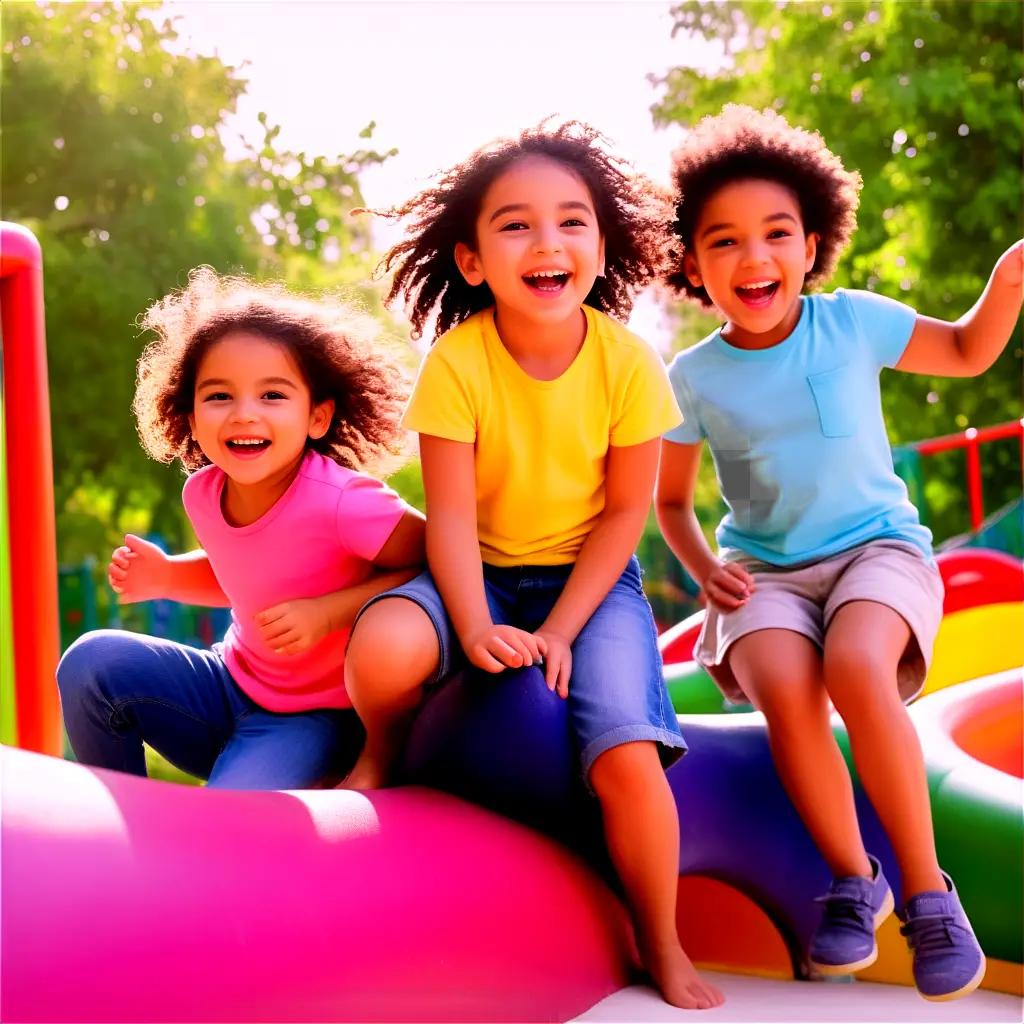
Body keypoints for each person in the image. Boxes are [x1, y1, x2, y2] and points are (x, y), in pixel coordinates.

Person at [342, 121, 723, 1011]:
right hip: (472, 566)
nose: (547, 242)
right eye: (516, 225)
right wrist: (471, 625)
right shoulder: (459, 361)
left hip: (590, 582)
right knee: (387, 644)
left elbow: (629, 512)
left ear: (601, 245)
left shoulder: (629, 364)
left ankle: (660, 941)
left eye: (571, 221)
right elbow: (453, 514)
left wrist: (558, 629)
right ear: (473, 261)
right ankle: (384, 749)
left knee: (627, 753)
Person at [654, 103, 1022, 1002]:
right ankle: (854, 876)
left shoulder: (852, 322)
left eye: (777, 234)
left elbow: (971, 351)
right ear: (693, 264)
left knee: (857, 668)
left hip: (876, 553)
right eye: (726, 242)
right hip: (766, 571)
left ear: (812, 242)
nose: (755, 258)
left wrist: (1009, 280)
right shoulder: (692, 377)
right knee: (785, 686)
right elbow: (670, 501)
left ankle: (931, 897)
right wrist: (705, 571)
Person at [57, 268, 426, 790]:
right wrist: (165, 578)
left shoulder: (343, 501)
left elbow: (431, 562)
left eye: (272, 395)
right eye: (219, 396)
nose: (243, 414)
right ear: (188, 416)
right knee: (91, 662)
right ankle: (121, 821)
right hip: (227, 686)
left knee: (229, 817)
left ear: (317, 418)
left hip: (314, 720)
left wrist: (330, 613)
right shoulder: (203, 494)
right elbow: (247, 576)